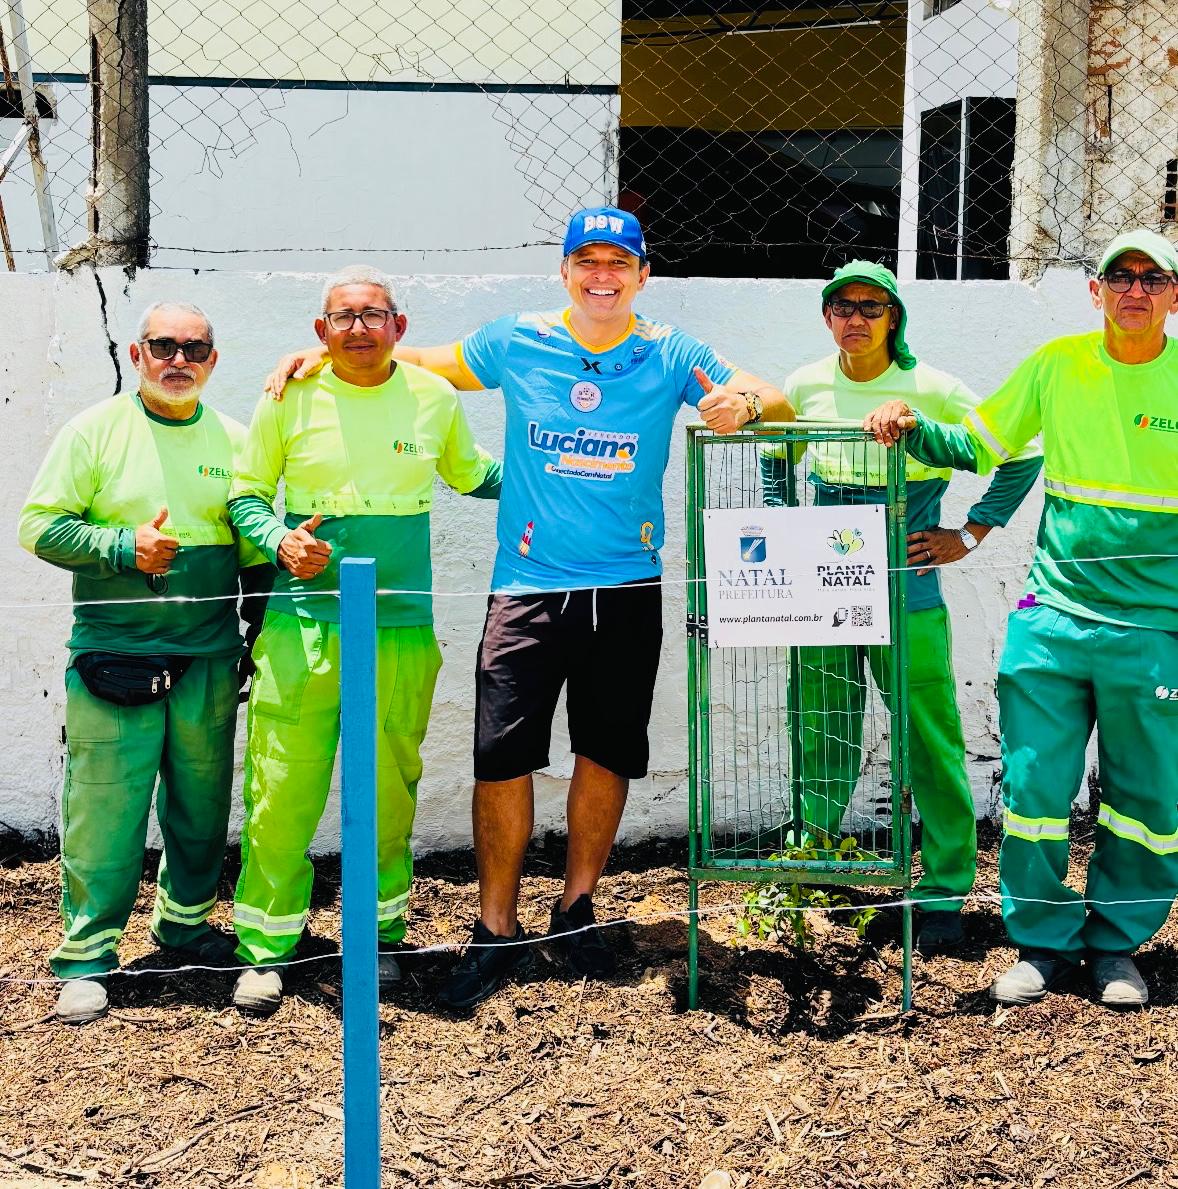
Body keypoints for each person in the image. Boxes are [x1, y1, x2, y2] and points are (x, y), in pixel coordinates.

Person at [267, 207, 791, 1009]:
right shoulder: (517, 340)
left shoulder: (670, 350)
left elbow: (771, 393)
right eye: (588, 260)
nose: (603, 275)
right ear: (566, 271)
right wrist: (331, 349)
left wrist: (742, 406)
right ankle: (495, 926)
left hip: (625, 587)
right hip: (526, 589)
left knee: (607, 752)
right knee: (502, 757)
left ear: (643, 274)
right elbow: (418, 361)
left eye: (620, 261)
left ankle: (577, 907)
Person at [864, 228, 1178, 1008]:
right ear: (1095, 290)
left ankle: (1115, 949)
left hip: (1155, 629)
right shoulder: (1056, 365)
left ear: (1175, 294)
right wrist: (910, 426)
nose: (1135, 290)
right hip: (1055, 617)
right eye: (1120, 276)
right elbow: (978, 442)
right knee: (1035, 790)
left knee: (1146, 802)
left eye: (1153, 278)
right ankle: (1040, 943)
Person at [229, 265, 501, 1014]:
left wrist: (566, 475)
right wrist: (282, 540)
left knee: (388, 786)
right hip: (302, 623)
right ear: (320, 332)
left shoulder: (433, 399)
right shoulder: (287, 395)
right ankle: (264, 948)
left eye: (372, 314)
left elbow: (474, 474)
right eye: (341, 317)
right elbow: (246, 495)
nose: (357, 328)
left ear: (398, 327)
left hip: (400, 628)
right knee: (282, 782)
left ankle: (377, 938)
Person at [760, 261, 1042, 955]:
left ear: (895, 318)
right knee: (821, 717)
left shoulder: (934, 389)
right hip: (821, 586)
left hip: (906, 581)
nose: (856, 318)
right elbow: (773, 457)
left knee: (927, 731)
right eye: (842, 306)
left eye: (872, 306)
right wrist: (779, 528)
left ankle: (944, 885)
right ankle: (813, 863)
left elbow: (1021, 452)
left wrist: (969, 532)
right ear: (827, 317)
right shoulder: (804, 384)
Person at [18, 301, 272, 1025]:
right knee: (105, 813)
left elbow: (255, 553)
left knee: (200, 810)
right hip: (114, 660)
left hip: (209, 662)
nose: (179, 359)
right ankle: (87, 957)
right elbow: (38, 525)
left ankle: (185, 927)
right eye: (164, 344)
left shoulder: (235, 439)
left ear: (214, 360)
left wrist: (256, 634)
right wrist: (123, 547)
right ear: (137, 354)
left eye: (196, 347)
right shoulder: (94, 431)